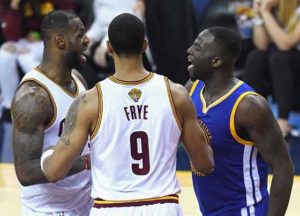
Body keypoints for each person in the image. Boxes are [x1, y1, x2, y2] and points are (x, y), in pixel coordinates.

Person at [41, 13, 214, 216]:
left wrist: (47, 155)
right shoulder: (176, 94)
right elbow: (205, 165)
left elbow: (54, 172)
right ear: (145, 46)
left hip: (111, 207)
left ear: (109, 47)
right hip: (163, 205)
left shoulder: (90, 101)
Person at [187, 27, 294, 216]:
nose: (189, 51)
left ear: (216, 61)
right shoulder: (191, 89)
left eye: (197, 48)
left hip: (247, 211)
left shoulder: (249, 106)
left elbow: (283, 167)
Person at [11, 10, 92, 215]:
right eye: (80, 34)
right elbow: (26, 172)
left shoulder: (78, 79)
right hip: (48, 210)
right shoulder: (33, 97)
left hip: (85, 203)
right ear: (60, 41)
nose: (87, 40)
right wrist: (85, 162)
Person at [0, 0, 74, 162]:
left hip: (51, 41)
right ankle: (8, 106)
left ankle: (51, 100)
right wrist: (14, 6)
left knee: (26, 60)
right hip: (23, 42)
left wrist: (40, 36)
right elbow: (11, 34)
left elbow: (68, 21)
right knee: (4, 55)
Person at [243, 0, 300, 137]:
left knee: (279, 57)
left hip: (291, 62)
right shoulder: (274, 9)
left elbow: (286, 44)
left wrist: (265, 12)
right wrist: (258, 15)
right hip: (282, 63)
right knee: (256, 56)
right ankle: (250, 116)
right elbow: (261, 45)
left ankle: (283, 120)